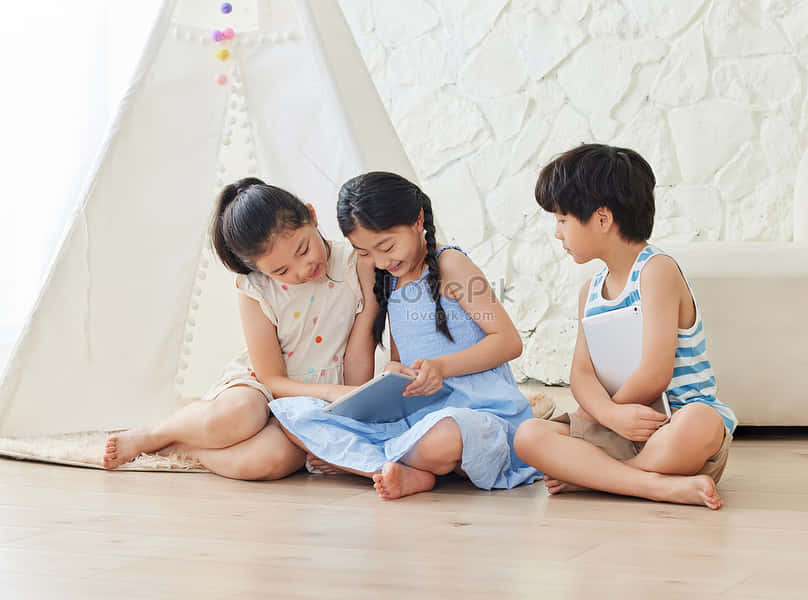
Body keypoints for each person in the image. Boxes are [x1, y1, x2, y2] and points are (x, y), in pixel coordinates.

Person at [268, 172, 540, 499]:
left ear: (417, 220)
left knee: (446, 436)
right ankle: (409, 467)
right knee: (293, 416)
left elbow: (508, 341)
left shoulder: (451, 263)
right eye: (365, 253)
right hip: (418, 415)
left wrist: (441, 368)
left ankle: (369, 462)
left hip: (476, 412)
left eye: (386, 246)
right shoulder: (390, 281)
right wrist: (392, 373)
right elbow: (400, 359)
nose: (381, 261)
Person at [102, 178, 377, 480]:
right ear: (260, 270)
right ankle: (158, 432)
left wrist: (350, 409)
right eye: (281, 271)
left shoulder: (357, 265)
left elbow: (360, 345)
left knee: (270, 461)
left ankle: (184, 449)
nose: (302, 269)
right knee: (240, 416)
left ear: (311, 216)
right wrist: (331, 392)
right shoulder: (255, 289)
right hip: (260, 387)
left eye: (302, 249)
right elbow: (271, 378)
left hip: (317, 401)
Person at [513, 144, 737, 510]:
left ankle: (601, 478)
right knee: (528, 435)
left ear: (602, 219)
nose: (557, 232)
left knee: (703, 422)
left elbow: (655, 372)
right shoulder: (591, 290)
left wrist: (612, 415)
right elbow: (581, 375)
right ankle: (652, 485)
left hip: (669, 424)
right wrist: (610, 417)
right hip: (616, 422)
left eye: (562, 219)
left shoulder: (657, 271)